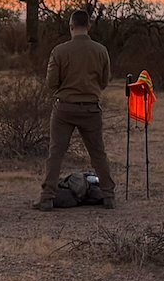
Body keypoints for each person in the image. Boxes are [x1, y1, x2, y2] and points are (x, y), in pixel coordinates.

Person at [36, 11, 115, 207]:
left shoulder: (59, 51)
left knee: (56, 153)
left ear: (71, 26)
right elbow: (104, 81)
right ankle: (108, 195)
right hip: (91, 109)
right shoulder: (101, 50)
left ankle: (47, 198)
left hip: (64, 109)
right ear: (88, 26)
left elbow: (51, 83)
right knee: (98, 153)